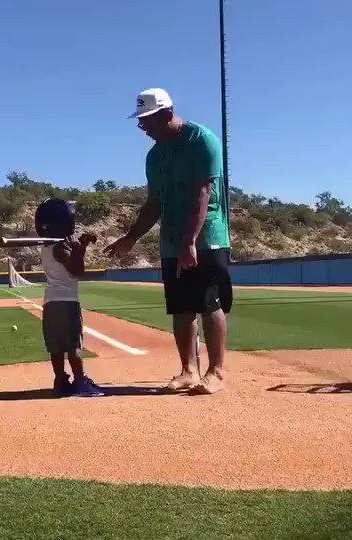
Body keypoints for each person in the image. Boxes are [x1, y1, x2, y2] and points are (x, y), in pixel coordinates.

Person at [104, 88, 233, 395]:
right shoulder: (155, 156)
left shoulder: (202, 140)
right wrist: (131, 237)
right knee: (180, 307)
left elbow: (203, 193)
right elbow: (154, 203)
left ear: (164, 114)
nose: (143, 128)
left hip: (207, 238)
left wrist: (191, 241)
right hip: (172, 239)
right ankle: (189, 370)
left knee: (208, 302)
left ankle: (216, 371)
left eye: (146, 121)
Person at [35, 198, 104, 397]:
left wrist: (78, 245)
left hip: (51, 302)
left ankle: (60, 380)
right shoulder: (59, 247)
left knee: (56, 347)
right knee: (73, 345)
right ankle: (80, 381)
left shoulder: (48, 246)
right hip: (67, 302)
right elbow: (77, 271)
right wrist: (80, 249)